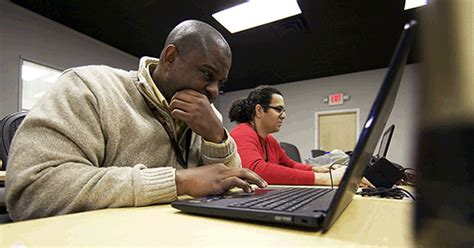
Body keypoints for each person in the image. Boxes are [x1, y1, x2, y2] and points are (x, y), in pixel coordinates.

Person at [5, 20, 267, 221]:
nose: (212, 92)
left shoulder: (205, 116)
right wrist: (180, 182)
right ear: (170, 57)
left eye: (220, 83)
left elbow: (233, 186)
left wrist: (217, 136)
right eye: (207, 74)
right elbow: (33, 190)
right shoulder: (89, 87)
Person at [229, 85, 356, 186]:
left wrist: (317, 169)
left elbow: (290, 164)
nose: (283, 116)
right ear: (259, 110)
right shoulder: (242, 133)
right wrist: (325, 179)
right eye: (278, 109)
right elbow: (255, 170)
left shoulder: (270, 140)